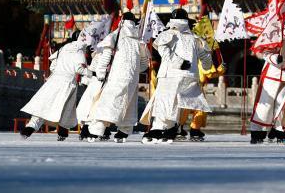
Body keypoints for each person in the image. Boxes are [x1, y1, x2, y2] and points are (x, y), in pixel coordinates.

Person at [140, 8, 213, 143]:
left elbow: (164, 51)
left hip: (170, 74)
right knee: (176, 103)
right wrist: (206, 63)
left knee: (163, 102)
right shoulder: (196, 38)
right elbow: (207, 61)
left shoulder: (167, 34)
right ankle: (170, 129)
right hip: (189, 75)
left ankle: (157, 130)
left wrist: (178, 62)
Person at [88, 12, 150, 142]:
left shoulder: (115, 36)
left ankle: (96, 131)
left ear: (121, 21)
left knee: (108, 102)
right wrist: (133, 70)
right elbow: (144, 64)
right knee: (129, 103)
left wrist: (100, 73)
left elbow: (106, 57)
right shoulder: (139, 41)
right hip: (132, 78)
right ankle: (123, 132)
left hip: (116, 76)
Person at [20, 31, 93, 140]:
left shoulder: (63, 49)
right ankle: (63, 132)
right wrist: (93, 74)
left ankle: (30, 127)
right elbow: (79, 69)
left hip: (54, 80)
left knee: (44, 104)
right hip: (67, 82)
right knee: (66, 108)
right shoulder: (79, 51)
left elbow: (52, 66)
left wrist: (59, 71)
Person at [248, 19, 285, 144]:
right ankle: (257, 132)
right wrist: (275, 57)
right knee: (265, 104)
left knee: (282, 103)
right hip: (272, 74)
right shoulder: (277, 33)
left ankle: (278, 130)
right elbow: (264, 52)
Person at [77, 27, 117, 140]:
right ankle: (90, 130)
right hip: (99, 82)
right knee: (95, 107)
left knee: (93, 106)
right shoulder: (104, 54)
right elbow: (94, 68)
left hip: (97, 82)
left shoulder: (100, 53)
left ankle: (98, 130)